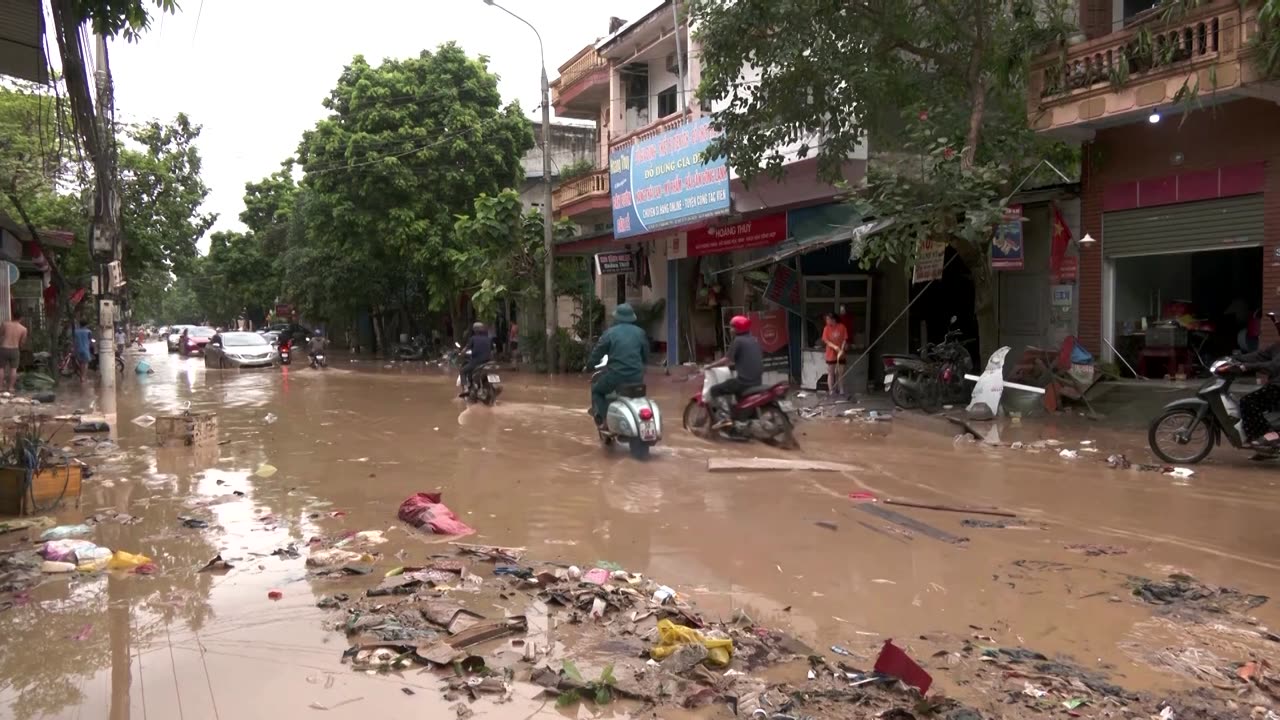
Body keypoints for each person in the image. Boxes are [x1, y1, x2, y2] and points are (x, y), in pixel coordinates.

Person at [587, 304, 649, 429]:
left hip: (616, 377)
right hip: (637, 377)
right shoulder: (640, 333)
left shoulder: (609, 334)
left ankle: (604, 421)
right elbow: (645, 355)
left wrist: (589, 366)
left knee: (597, 390)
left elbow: (597, 353)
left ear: (617, 318)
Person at [706, 314, 763, 428]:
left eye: (732, 327)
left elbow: (727, 360)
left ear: (738, 329)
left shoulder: (738, 341)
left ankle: (724, 417)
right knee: (736, 395)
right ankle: (742, 422)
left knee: (714, 390)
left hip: (744, 382)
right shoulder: (753, 340)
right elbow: (742, 360)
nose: (730, 330)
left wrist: (710, 366)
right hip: (757, 381)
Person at [1237, 341, 1280, 447]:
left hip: (1278, 386)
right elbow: (1258, 355)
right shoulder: (1277, 345)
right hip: (1275, 384)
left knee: (1248, 401)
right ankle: (1265, 449)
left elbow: (1273, 365)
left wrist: (1248, 366)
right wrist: (1235, 359)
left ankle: (1267, 435)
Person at [458, 322, 492, 396]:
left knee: (462, 371)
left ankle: (466, 388)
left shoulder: (473, 338)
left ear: (475, 330)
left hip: (477, 361)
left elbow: (466, 349)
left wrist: (461, 354)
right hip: (488, 361)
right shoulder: (488, 339)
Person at [0, 309, 29, 392]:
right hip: (14, 350)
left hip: (4, 348)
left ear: (12, 316)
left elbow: (0, 334)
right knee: (13, 369)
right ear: (21, 318)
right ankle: (11, 387)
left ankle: (0, 387)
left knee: (1, 368)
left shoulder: (5, 324)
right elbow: (22, 342)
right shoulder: (23, 329)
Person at [822, 312, 849, 397]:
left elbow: (845, 338)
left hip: (841, 353)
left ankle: (841, 390)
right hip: (831, 353)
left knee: (840, 372)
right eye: (826, 319)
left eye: (828, 319)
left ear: (833, 320)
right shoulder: (826, 328)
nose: (826, 321)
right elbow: (826, 341)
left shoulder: (842, 327)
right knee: (831, 372)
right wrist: (835, 347)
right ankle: (831, 390)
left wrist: (842, 348)